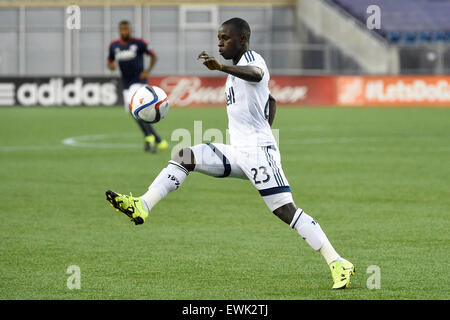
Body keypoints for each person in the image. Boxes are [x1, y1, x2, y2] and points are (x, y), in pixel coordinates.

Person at [105, 18, 354, 290]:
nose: (219, 43)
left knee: (285, 210)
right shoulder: (235, 72)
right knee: (185, 156)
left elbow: (258, 76)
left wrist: (224, 71)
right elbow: (271, 99)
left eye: (225, 38)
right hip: (237, 150)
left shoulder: (253, 60)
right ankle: (143, 205)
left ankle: (338, 261)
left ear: (242, 40)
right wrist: (260, 122)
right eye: (219, 38)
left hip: (259, 153)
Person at [107, 20, 168, 153]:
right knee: (133, 112)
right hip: (126, 84)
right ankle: (156, 139)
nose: (124, 31)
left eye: (126, 29)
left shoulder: (138, 43)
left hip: (138, 82)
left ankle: (150, 137)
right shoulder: (114, 46)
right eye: (122, 29)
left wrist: (147, 71)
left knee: (133, 107)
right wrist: (111, 66)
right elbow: (110, 62)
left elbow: (153, 56)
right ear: (119, 30)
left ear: (130, 30)